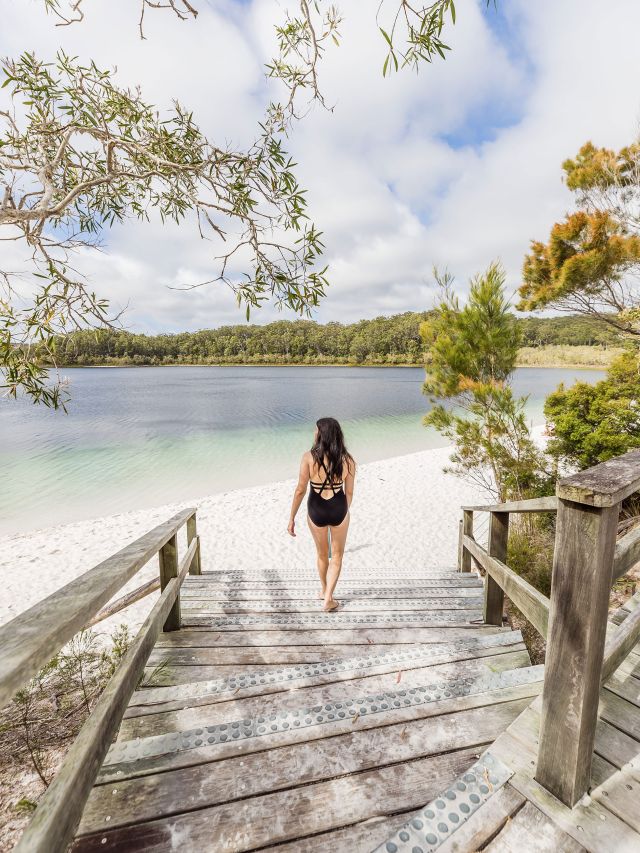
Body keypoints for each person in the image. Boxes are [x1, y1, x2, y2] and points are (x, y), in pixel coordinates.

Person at [288, 417, 356, 611]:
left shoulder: (308, 457)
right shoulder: (348, 460)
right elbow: (349, 492)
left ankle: (324, 590)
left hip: (316, 508)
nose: (314, 433)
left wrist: (291, 518)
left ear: (322, 434)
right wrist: (343, 509)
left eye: (316, 430)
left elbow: (300, 489)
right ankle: (328, 598)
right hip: (338, 507)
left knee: (321, 555)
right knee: (337, 556)